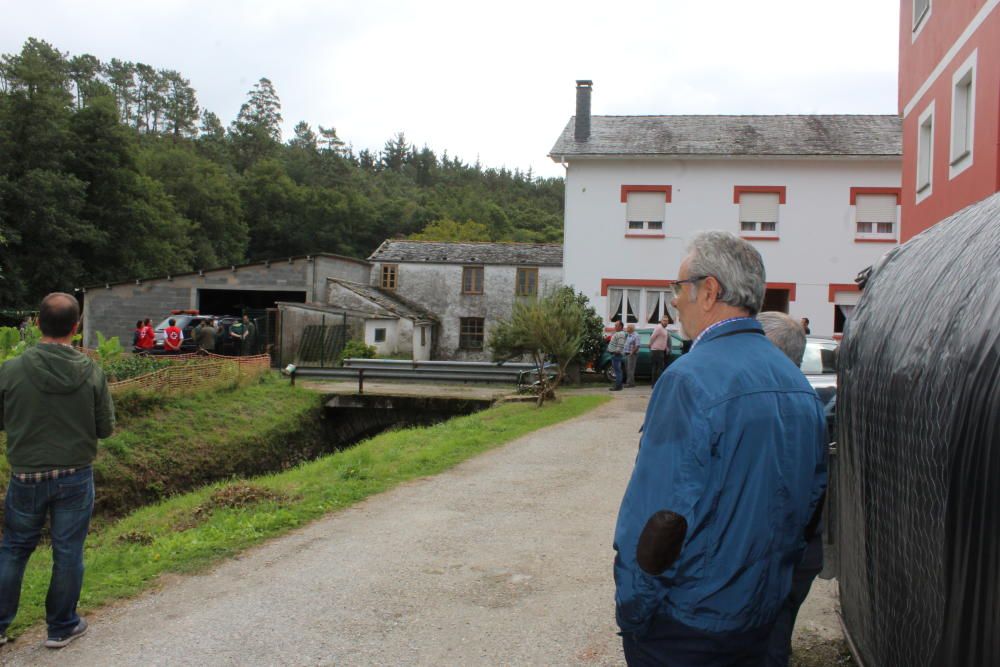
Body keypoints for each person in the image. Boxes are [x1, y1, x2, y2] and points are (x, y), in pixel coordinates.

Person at [614, 232, 827, 666]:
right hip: (762, 617)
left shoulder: (689, 379)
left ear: (708, 291)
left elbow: (658, 518)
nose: (674, 301)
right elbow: (809, 507)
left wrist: (635, 612)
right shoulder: (799, 387)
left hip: (690, 625)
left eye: (678, 288)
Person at [0, 293, 115, 649]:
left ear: (37, 324)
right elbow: (105, 428)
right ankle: (62, 626)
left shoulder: (12, 369)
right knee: (68, 551)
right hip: (75, 476)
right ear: (76, 328)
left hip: (26, 475)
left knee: (15, 548)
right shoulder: (91, 371)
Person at [757, 311, 824, 667]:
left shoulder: (775, 404)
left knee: (766, 643)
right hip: (795, 553)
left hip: (778, 557)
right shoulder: (805, 400)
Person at [648, 315, 671, 386]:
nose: (665, 322)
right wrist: (650, 344)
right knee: (657, 368)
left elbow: (664, 340)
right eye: (664, 320)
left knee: (659, 368)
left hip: (661, 351)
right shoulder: (659, 327)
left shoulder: (665, 329)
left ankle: (655, 384)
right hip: (656, 350)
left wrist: (666, 348)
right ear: (661, 321)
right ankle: (656, 384)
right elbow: (652, 337)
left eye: (667, 321)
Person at [606, 320, 627, 392]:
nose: (615, 327)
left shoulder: (621, 334)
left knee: (617, 371)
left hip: (616, 355)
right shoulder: (619, 333)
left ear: (620, 326)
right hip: (615, 354)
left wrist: (616, 352)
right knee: (617, 370)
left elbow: (620, 345)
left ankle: (618, 386)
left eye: (616, 325)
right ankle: (619, 386)